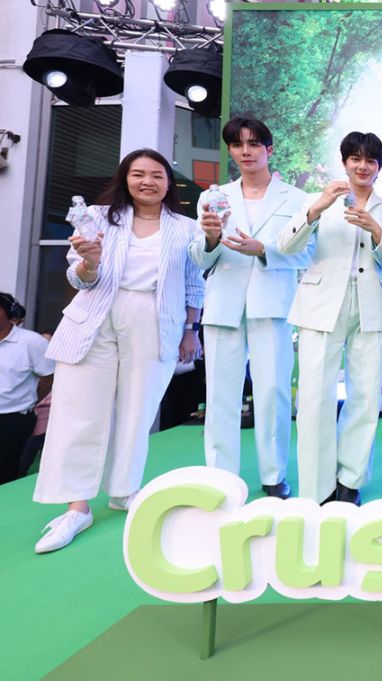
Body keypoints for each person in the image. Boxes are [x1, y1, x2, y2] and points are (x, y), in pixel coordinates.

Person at [33, 148, 204, 553]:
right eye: (139, 174)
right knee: (79, 411)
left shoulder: (186, 227)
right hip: (96, 315)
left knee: (137, 410)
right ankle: (77, 507)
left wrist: (191, 330)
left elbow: (194, 282)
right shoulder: (97, 217)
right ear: (125, 178)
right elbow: (80, 279)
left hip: (155, 318)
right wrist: (89, 262)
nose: (148, 181)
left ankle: (125, 490)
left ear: (169, 182)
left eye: (157, 175)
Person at [277, 132, 382, 505]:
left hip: (369, 306)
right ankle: (318, 488)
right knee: (314, 396)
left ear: (379, 167)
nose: (362, 166)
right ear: (344, 162)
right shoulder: (321, 200)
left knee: (365, 396)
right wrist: (317, 207)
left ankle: (350, 481)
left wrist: (375, 230)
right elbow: (286, 246)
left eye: (370, 160)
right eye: (355, 159)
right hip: (320, 305)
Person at [190, 116, 311, 500]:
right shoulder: (213, 197)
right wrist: (211, 238)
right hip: (224, 303)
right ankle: (220, 477)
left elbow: (307, 253)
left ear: (269, 149)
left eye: (254, 143)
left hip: (271, 302)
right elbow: (200, 259)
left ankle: (274, 475)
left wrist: (264, 250)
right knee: (220, 394)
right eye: (238, 144)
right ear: (230, 150)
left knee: (273, 391)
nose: (246, 151)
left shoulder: (297, 198)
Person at [0, 293, 53, 484]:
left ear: (10, 313)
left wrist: (31, 399)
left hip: (13, 419)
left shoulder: (31, 342)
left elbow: (48, 376)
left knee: (6, 474)